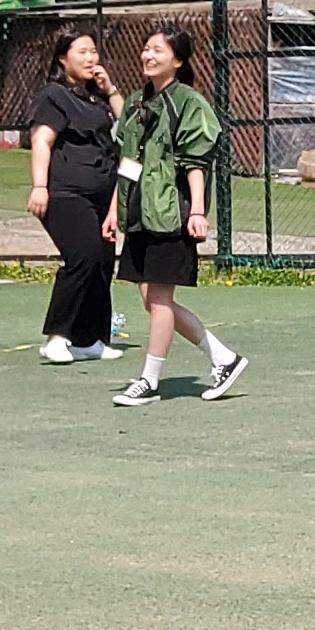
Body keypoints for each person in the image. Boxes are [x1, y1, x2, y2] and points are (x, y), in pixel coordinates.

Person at [108, 29, 245, 407]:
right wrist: (112, 210)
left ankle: (148, 380)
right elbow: (129, 162)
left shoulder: (189, 103)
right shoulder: (136, 103)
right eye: (146, 47)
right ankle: (223, 358)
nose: (148, 54)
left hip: (173, 215)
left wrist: (197, 211)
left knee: (161, 299)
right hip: (140, 214)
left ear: (178, 60)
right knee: (151, 300)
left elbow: (195, 162)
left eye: (158, 49)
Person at [26, 28, 126, 365]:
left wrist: (110, 88)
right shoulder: (54, 95)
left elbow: (128, 124)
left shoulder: (95, 97)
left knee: (102, 263)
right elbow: (42, 141)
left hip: (102, 194)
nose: (90, 58)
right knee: (82, 256)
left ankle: (90, 339)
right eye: (82, 52)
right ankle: (57, 337)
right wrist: (40, 186)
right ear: (62, 59)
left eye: (93, 51)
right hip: (67, 193)